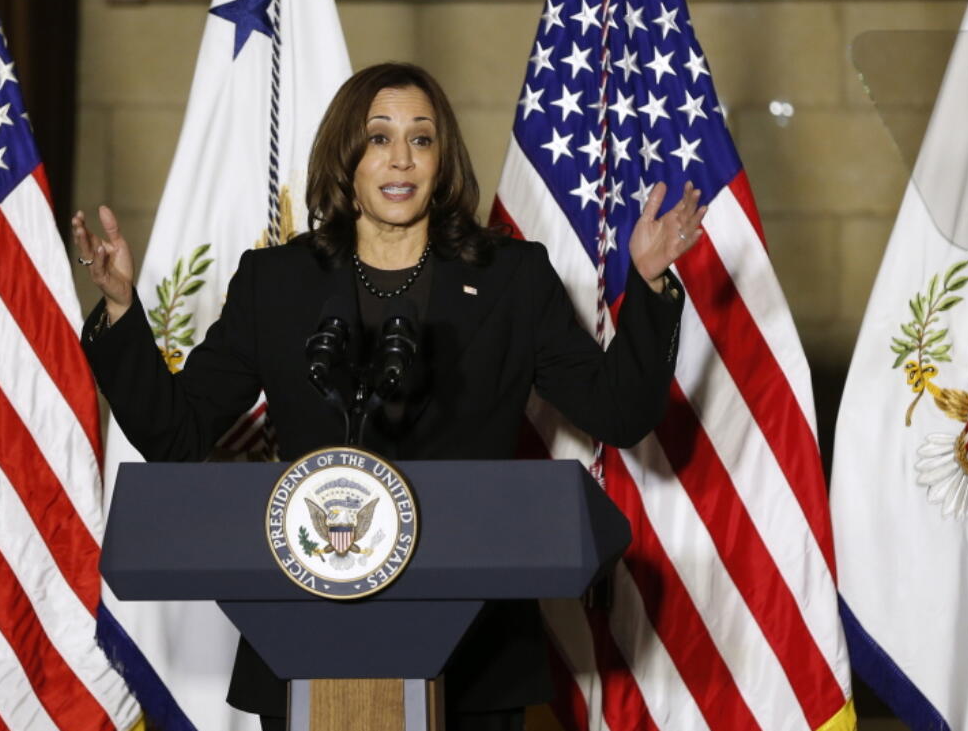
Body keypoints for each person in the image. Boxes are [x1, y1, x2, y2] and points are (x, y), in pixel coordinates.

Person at [73, 62, 704, 731]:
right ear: (346, 155)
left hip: (475, 646)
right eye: (379, 137)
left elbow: (618, 411)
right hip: (306, 638)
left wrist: (651, 286)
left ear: (442, 158)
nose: (401, 157)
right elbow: (179, 431)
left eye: (421, 139)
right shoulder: (278, 282)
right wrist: (118, 311)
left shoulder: (510, 279)